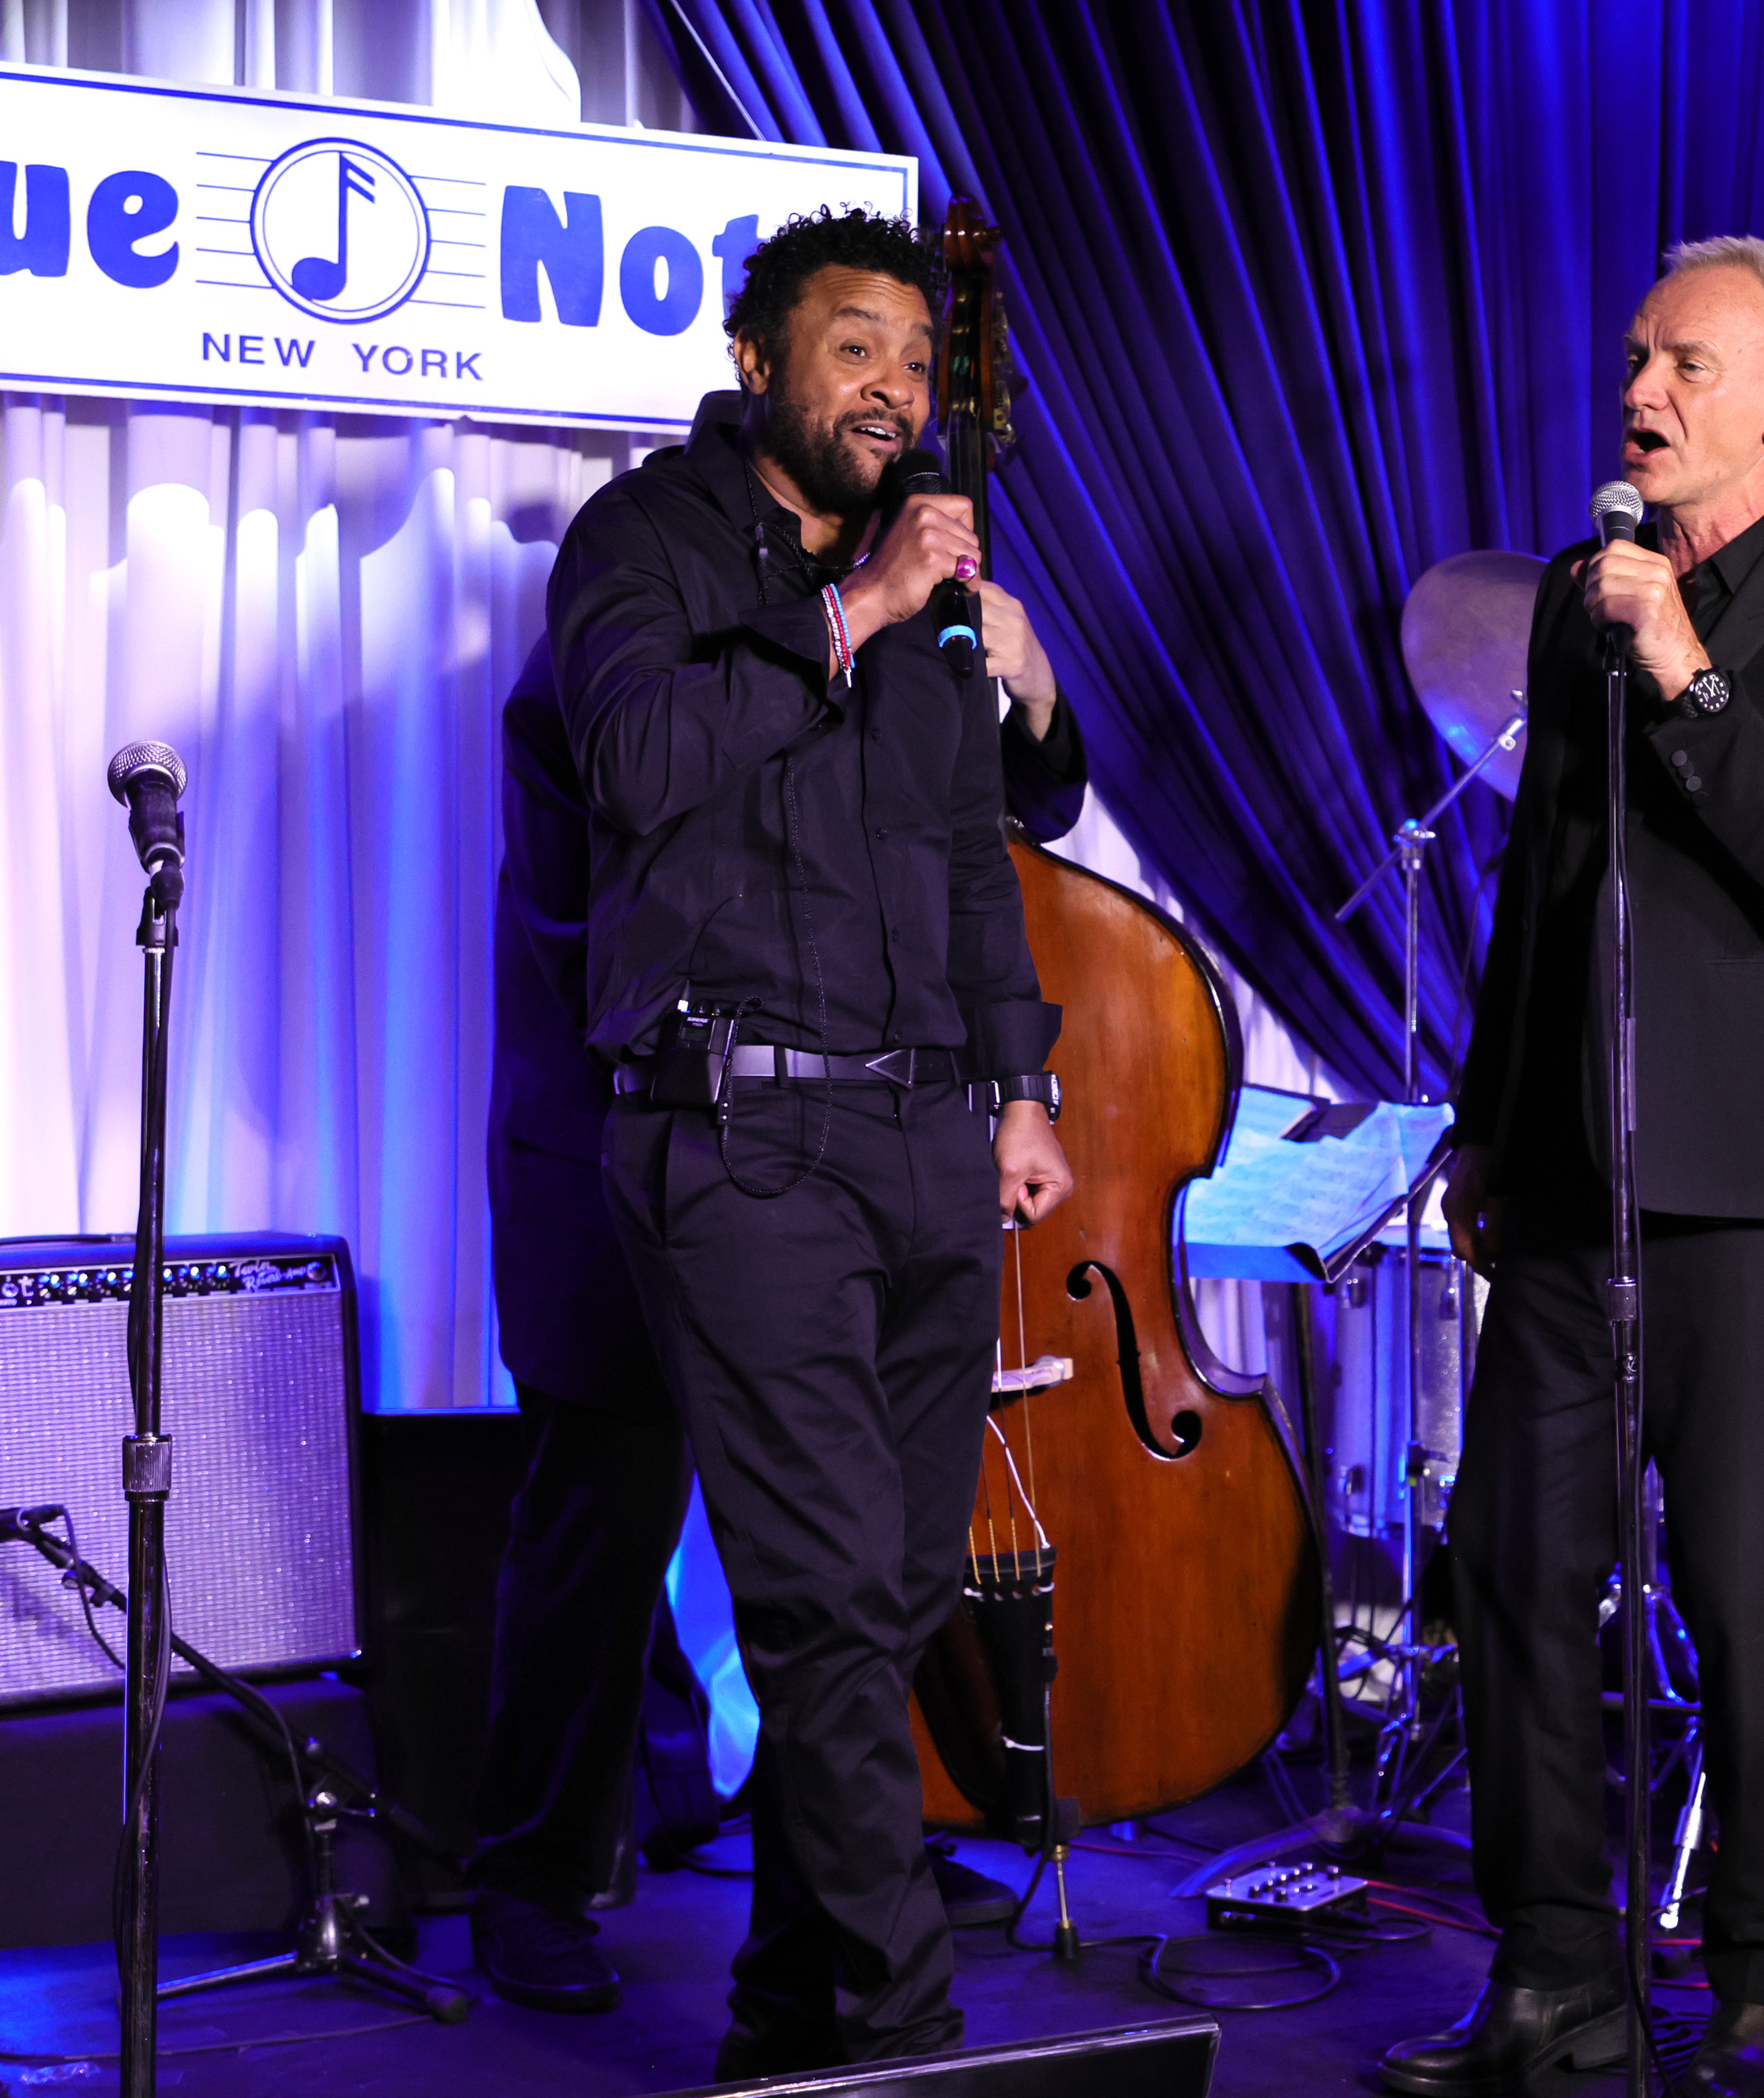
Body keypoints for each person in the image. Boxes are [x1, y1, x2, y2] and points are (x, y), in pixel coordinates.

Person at [1394, 238, 1764, 2098]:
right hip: (1568, 1172)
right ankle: (1557, 1974)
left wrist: (1687, 667)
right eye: (1638, 353)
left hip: (1754, 1182)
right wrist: (1487, 1117)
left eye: (1688, 363)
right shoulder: (1579, 595)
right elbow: (1543, 882)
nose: (1643, 388)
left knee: (1747, 1594)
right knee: (1510, 1561)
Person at [543, 204, 1074, 2077]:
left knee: (896, 1598)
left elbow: (968, 851)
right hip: (736, 1136)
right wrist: (842, 617)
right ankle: (910, 2046)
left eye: (918, 360)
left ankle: (783, 2024)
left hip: (929, 1141)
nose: (898, 387)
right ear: (761, 357)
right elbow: (633, 759)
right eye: (857, 347)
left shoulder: (928, 579)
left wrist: (1023, 1081)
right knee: (829, 1608)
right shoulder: (646, 543)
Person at [467, 618, 1087, 2014]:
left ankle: (835, 1887)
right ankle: (532, 1879)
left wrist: (1029, 680)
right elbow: (646, 906)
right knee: (602, 1522)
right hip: (622, 1146)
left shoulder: (853, 648)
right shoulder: (629, 652)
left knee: (845, 1547)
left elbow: (1009, 810)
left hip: (803, 1158)